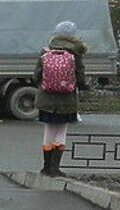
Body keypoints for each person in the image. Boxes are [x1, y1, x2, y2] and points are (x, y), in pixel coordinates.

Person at [35, 20, 88, 177]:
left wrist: (44, 86)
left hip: (46, 98)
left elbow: (36, 75)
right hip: (67, 99)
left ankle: (46, 168)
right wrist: (79, 86)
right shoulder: (75, 54)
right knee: (61, 132)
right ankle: (55, 168)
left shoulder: (45, 51)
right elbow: (81, 76)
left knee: (48, 131)